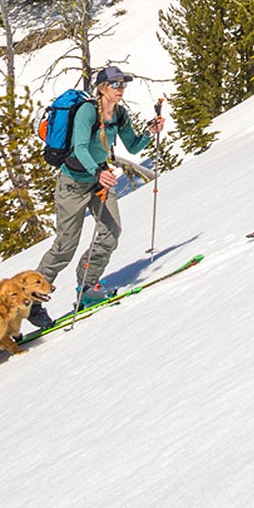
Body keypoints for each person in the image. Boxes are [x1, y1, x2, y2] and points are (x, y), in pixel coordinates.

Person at [33, 64, 164, 326]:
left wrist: (150, 132)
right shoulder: (86, 112)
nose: (121, 88)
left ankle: (87, 288)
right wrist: (97, 172)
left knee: (111, 233)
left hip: (100, 181)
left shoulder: (120, 114)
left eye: (123, 83)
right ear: (102, 88)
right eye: (115, 84)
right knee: (64, 247)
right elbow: (80, 148)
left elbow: (134, 145)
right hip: (73, 184)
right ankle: (31, 300)